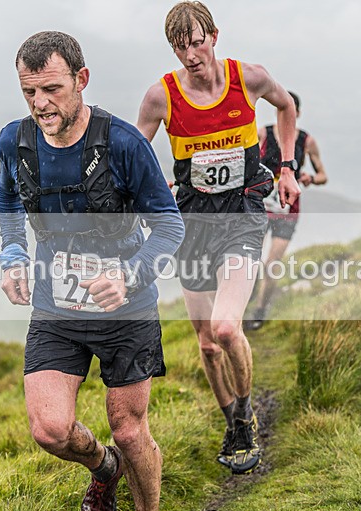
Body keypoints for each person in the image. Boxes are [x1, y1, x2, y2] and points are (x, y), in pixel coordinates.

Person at [0, 31, 184, 511]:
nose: (41, 104)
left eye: (52, 89)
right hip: (58, 309)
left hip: (126, 310)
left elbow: (169, 225)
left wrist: (130, 274)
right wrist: (13, 254)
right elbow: (10, 200)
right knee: (50, 430)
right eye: (29, 92)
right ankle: (104, 470)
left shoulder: (124, 144)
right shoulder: (15, 143)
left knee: (129, 430)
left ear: (81, 79)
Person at [136, 1, 300, 475]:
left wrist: (287, 167)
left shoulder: (247, 78)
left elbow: (286, 106)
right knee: (207, 342)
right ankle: (231, 419)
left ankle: (247, 416)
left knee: (227, 327)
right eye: (179, 46)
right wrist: (150, 188)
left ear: (214, 36)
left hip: (243, 213)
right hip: (191, 222)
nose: (190, 54)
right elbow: (133, 152)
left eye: (197, 41)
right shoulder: (160, 98)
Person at [244, 91, 328, 331]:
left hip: (288, 210)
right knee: (251, 259)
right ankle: (245, 299)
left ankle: (260, 310)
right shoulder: (264, 133)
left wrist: (311, 178)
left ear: (297, 114)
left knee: (272, 263)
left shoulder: (306, 141)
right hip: (261, 207)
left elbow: (323, 175)